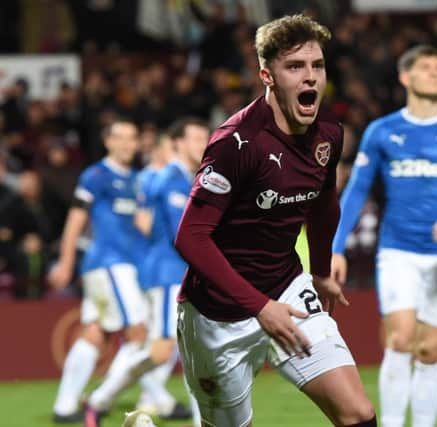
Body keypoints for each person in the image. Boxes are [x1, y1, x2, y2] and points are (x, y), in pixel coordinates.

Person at [174, 14, 376, 427]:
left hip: (287, 289)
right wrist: (259, 307)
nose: (310, 78)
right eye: (295, 67)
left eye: (317, 66)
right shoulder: (236, 143)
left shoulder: (328, 136)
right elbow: (191, 237)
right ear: (267, 75)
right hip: (218, 313)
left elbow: (323, 205)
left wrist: (319, 272)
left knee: (357, 413)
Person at [331, 45, 437, 427]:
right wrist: (335, 247)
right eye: (426, 68)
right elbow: (356, 191)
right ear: (406, 77)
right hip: (398, 249)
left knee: (430, 350)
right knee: (400, 340)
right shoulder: (383, 131)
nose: (435, 73)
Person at [83, 119, 210, 427]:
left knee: (194, 353)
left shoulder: (193, 179)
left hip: (180, 274)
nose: (202, 144)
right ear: (176, 143)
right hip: (170, 276)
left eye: (205, 138)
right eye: (195, 138)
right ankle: (100, 399)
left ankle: (202, 421)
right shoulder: (171, 179)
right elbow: (184, 233)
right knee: (161, 350)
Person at [48, 118, 150, 423]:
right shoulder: (95, 176)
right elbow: (76, 220)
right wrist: (66, 262)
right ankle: (99, 400)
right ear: (108, 142)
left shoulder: (136, 179)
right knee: (139, 333)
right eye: (121, 138)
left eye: (132, 138)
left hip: (121, 266)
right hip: (108, 264)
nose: (128, 144)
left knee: (97, 333)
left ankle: (65, 407)